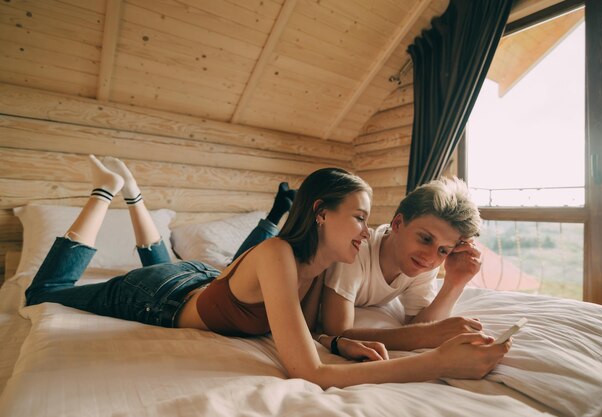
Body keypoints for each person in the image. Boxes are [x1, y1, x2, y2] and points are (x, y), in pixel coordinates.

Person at [25, 155, 510, 389]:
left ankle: (134, 195)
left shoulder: (320, 265)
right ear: (321, 213)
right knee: (44, 294)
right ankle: (107, 193)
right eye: (360, 217)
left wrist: (339, 341)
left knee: (180, 265)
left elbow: (313, 333)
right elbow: (308, 372)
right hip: (157, 297)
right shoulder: (279, 255)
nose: (368, 230)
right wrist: (437, 361)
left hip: (198, 278)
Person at [321, 177, 486, 351]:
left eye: (444, 250)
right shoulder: (355, 250)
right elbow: (337, 332)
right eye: (425, 239)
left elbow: (418, 323)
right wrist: (426, 336)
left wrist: (455, 283)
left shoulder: (423, 263)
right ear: (398, 223)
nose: (430, 257)